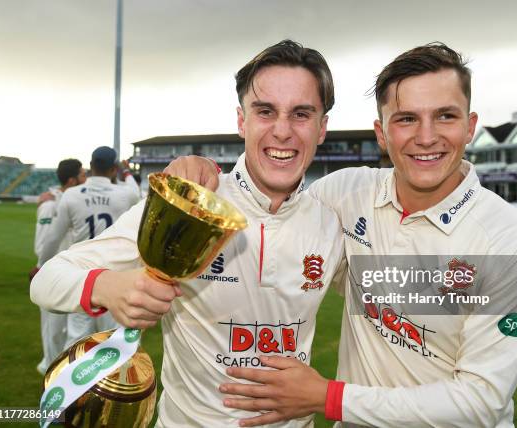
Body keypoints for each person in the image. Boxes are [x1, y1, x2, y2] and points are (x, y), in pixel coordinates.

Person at [165, 43, 517, 427]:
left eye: (445, 116)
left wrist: (326, 397)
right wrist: (204, 172)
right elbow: (271, 209)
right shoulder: (346, 193)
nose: (427, 136)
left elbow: (480, 402)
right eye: (406, 119)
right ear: (382, 134)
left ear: (469, 126)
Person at [31, 40, 345, 427]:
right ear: (242, 120)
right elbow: (47, 280)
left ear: (322, 127)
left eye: (301, 114)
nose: (282, 131)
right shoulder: (192, 203)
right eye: (265, 112)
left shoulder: (332, 223)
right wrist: (109, 287)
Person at [37, 146, 141, 346]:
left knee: (76, 342)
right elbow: (135, 191)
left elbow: (53, 237)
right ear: (113, 169)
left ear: (91, 166)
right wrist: (126, 171)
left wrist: (41, 264)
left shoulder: (71, 195)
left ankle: (68, 377)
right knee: (115, 342)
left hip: (82, 276)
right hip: (115, 277)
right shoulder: (125, 194)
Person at [31, 158, 86, 374]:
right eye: (82, 175)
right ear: (72, 180)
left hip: (73, 272)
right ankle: (49, 369)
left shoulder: (74, 201)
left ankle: (64, 370)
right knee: (52, 327)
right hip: (51, 273)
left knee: (71, 326)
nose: (86, 179)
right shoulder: (49, 205)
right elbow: (42, 245)